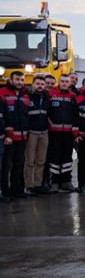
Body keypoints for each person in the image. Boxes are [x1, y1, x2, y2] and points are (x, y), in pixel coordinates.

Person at [0, 71, 30, 200]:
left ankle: (16, 190)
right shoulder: (3, 93)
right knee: (6, 165)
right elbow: (5, 116)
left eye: (22, 80)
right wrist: (8, 135)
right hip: (9, 137)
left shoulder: (26, 94)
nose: (20, 82)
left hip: (23, 137)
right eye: (17, 79)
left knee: (19, 164)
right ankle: (5, 191)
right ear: (11, 80)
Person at [47, 73, 78, 192]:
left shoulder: (73, 96)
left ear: (70, 83)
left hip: (68, 133)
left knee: (67, 157)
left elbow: (75, 115)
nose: (64, 83)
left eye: (66, 81)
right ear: (58, 82)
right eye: (62, 81)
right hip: (54, 132)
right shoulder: (51, 95)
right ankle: (54, 182)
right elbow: (47, 113)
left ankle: (66, 181)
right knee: (54, 157)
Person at [24, 76, 50, 197]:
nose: (40, 86)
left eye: (42, 84)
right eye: (38, 84)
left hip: (44, 133)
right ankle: (29, 186)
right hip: (32, 133)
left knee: (41, 161)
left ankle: (38, 184)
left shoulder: (46, 97)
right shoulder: (27, 97)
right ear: (33, 84)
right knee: (30, 161)